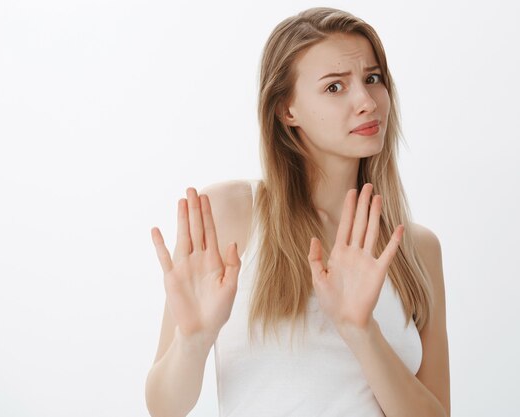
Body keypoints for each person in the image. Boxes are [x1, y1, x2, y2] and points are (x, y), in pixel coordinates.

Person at [145, 6, 450, 417]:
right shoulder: (231, 214)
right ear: (287, 110)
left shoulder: (415, 249)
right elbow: (164, 408)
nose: (366, 101)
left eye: (372, 79)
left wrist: (361, 332)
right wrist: (193, 339)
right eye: (334, 87)